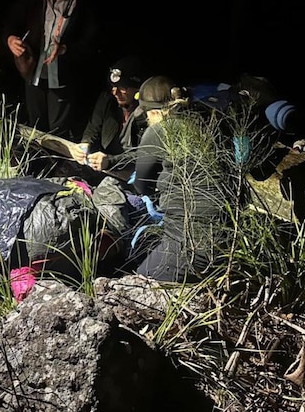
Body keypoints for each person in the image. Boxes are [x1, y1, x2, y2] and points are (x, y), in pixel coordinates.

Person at [131, 76, 233, 282]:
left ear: (154, 112)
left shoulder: (159, 131)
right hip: (227, 235)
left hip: (190, 240)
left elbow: (142, 185)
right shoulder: (205, 123)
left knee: (138, 284)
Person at [4, 0, 99, 139]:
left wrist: (64, 48)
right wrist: (10, 39)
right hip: (33, 69)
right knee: (35, 126)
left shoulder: (82, 0)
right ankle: (36, 164)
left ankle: (57, 167)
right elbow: (11, 23)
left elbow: (91, 42)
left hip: (63, 73)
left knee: (58, 129)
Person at [73, 56, 148, 175]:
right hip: (105, 165)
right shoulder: (108, 100)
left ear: (138, 89)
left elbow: (144, 153)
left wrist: (111, 161)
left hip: (131, 172)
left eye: (122, 88)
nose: (115, 92)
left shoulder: (147, 114)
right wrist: (85, 144)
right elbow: (93, 128)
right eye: (113, 87)